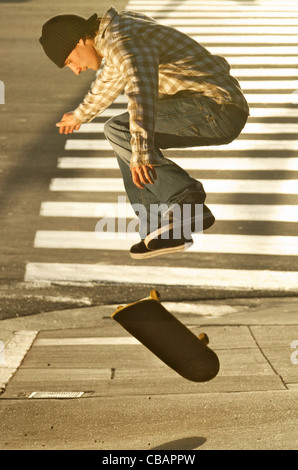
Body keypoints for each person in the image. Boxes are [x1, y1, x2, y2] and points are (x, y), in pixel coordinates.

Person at [39, 6, 249, 259]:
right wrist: (81, 114)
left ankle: (185, 200)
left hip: (217, 108)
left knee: (121, 131)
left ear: (80, 41)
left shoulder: (122, 42)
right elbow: (110, 80)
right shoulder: (116, 36)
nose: (76, 70)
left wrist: (142, 152)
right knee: (122, 141)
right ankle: (159, 226)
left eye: (70, 61)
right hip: (206, 108)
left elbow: (142, 94)